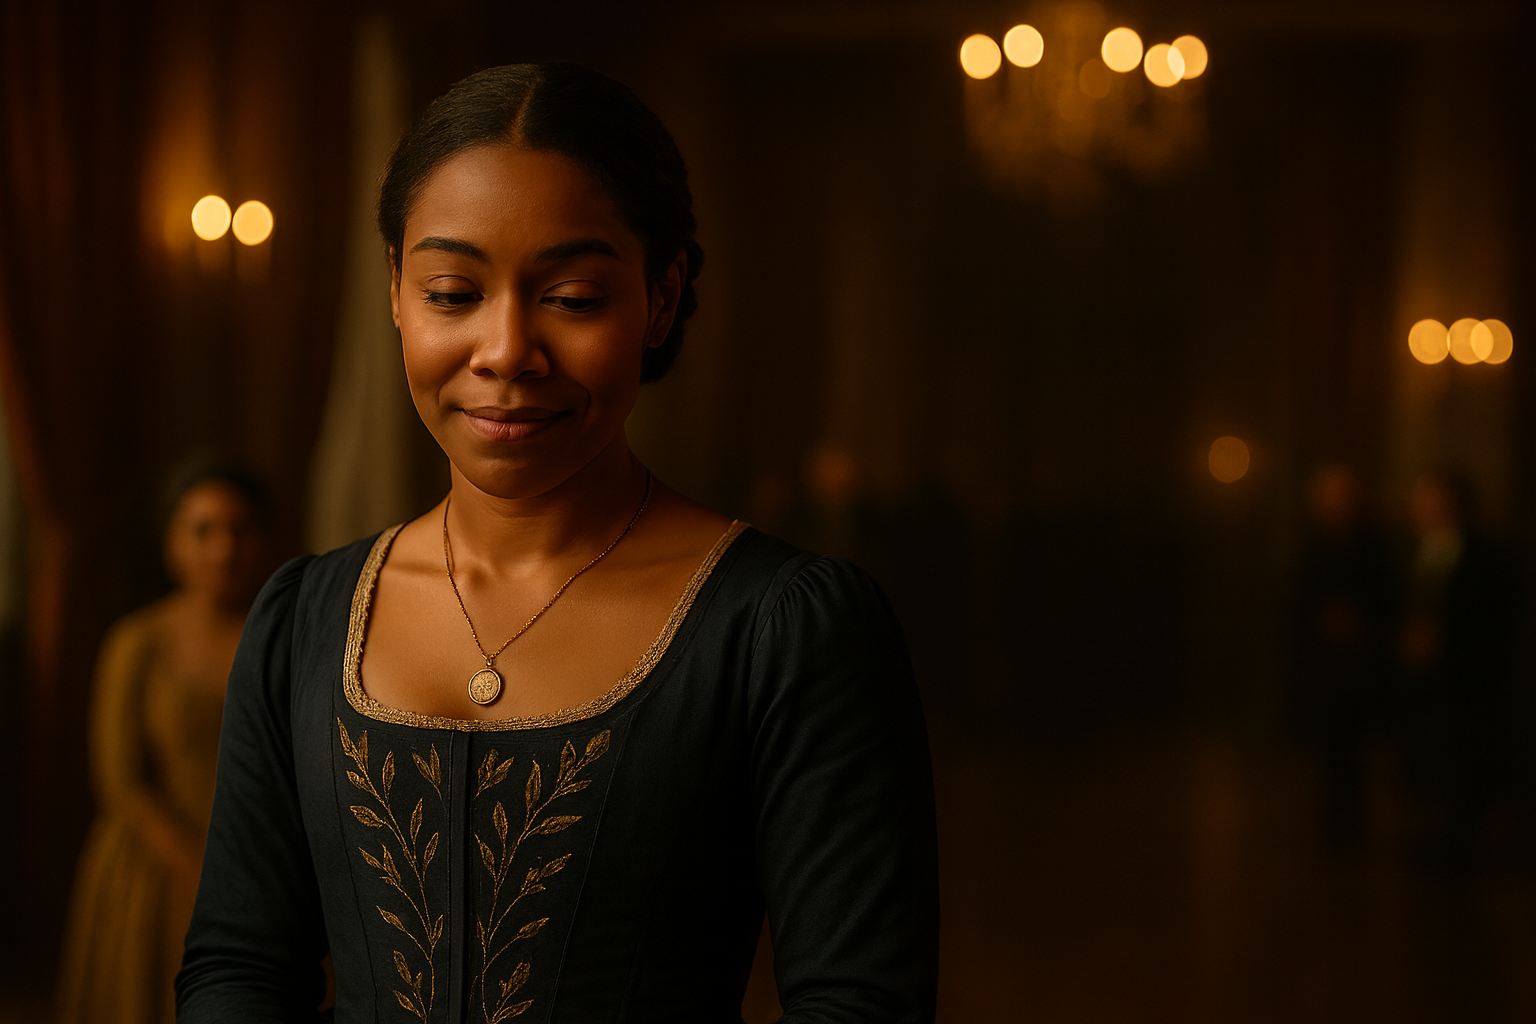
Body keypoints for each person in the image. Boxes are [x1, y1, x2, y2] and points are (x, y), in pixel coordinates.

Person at [176, 64, 939, 1023]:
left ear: (661, 298)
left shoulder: (785, 630)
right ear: (397, 293)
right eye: (452, 292)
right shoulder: (303, 622)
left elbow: (860, 1004)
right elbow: (240, 968)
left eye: (573, 298)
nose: (505, 351)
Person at [58, 464, 271, 1024]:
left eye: (239, 530)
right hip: (155, 868)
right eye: (203, 531)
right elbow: (121, 782)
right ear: (172, 543)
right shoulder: (138, 642)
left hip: (261, 865)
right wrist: (198, 868)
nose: (223, 549)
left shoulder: (283, 637)